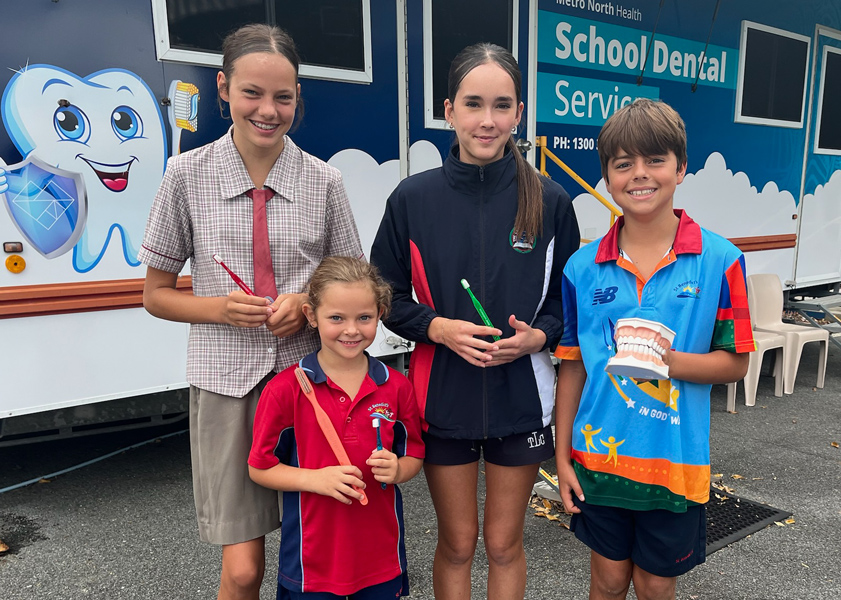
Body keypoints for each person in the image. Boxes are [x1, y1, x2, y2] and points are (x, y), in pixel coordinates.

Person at [139, 24, 363, 600]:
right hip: (225, 386)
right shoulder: (186, 176)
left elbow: (356, 289)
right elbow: (155, 294)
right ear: (223, 88)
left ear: (297, 99)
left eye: (283, 97)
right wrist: (220, 309)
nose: (268, 110)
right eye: (252, 94)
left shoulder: (324, 181)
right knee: (242, 570)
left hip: (312, 386)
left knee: (314, 552)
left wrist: (309, 305)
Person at [369, 43, 581, 600]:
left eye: (502, 105)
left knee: (505, 546)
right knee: (458, 544)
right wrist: (437, 328)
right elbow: (382, 295)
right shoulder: (413, 199)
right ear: (448, 111)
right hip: (443, 397)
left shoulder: (552, 201)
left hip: (522, 397)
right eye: (473, 104)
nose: (487, 120)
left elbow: (569, 301)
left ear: (518, 114)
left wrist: (540, 336)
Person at [553, 98, 756, 600]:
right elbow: (573, 368)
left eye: (655, 160)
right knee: (607, 580)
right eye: (623, 164)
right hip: (599, 458)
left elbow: (736, 362)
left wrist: (666, 362)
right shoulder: (581, 268)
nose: (639, 175)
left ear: (681, 167)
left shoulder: (720, 260)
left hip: (675, 465)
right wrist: (562, 458)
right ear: (607, 176)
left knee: (655, 584)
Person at [248, 256, 424, 599]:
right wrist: (314, 479)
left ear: (380, 314)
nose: (351, 329)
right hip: (311, 563)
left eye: (364, 317)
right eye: (336, 318)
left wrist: (398, 469)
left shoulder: (396, 386)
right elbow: (260, 467)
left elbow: (414, 453)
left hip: (380, 559)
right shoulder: (285, 389)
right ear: (311, 316)